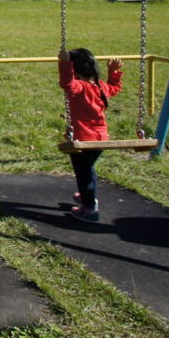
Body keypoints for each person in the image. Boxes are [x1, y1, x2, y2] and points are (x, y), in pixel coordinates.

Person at [58, 47, 123, 223]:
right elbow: (114, 88)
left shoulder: (80, 87)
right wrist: (113, 72)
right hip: (101, 139)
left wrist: (64, 63)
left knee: (83, 174)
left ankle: (89, 209)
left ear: (75, 69)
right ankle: (88, 197)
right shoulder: (100, 87)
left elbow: (67, 84)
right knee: (89, 169)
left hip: (82, 140)